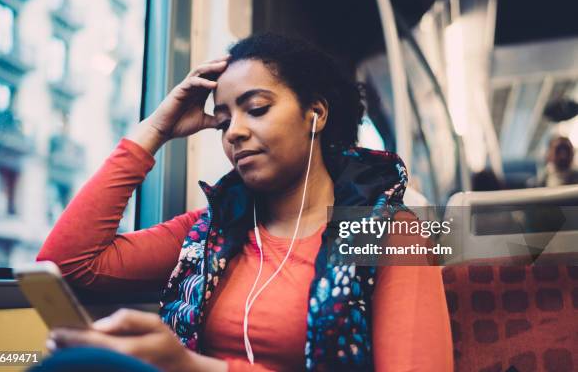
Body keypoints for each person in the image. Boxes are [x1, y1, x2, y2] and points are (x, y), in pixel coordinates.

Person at [35, 33, 452, 371]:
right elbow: (69, 263)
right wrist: (156, 129)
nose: (233, 131)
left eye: (256, 109)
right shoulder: (209, 233)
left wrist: (197, 368)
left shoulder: (391, 236)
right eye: (222, 121)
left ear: (316, 114)